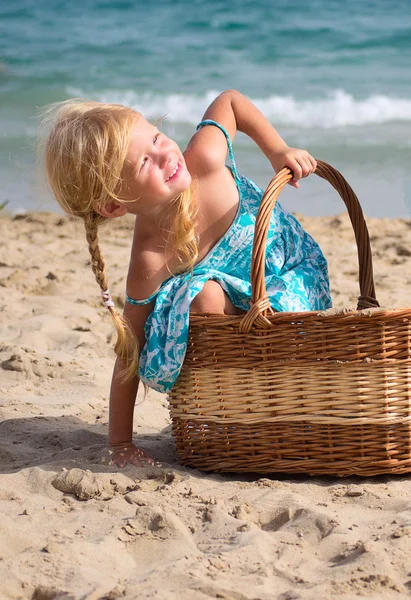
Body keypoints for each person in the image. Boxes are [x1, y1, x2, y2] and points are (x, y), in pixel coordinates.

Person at [43, 90, 331, 468]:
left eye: (158, 138)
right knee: (202, 298)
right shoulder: (151, 256)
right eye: (145, 161)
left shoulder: (206, 160)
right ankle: (233, 397)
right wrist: (120, 443)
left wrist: (276, 150)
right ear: (115, 205)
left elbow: (230, 102)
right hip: (234, 315)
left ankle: (277, 389)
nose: (165, 154)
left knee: (258, 314)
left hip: (288, 271)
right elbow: (130, 347)